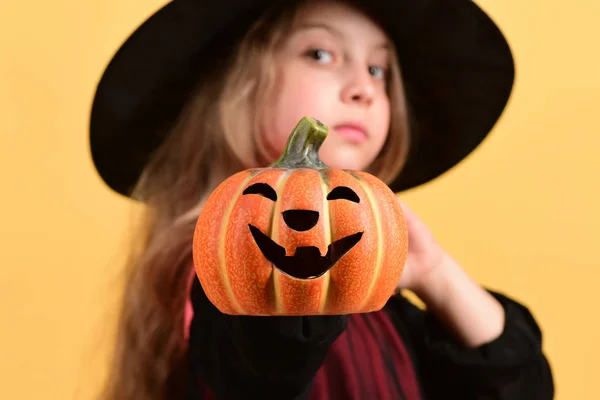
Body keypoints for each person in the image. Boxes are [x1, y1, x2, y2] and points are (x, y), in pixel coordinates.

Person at [89, 0, 555, 399]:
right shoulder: (222, 277)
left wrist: (433, 271)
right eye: (321, 53)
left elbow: (520, 387)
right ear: (240, 87)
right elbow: (257, 373)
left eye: (379, 69)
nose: (365, 88)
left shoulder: (370, 298)